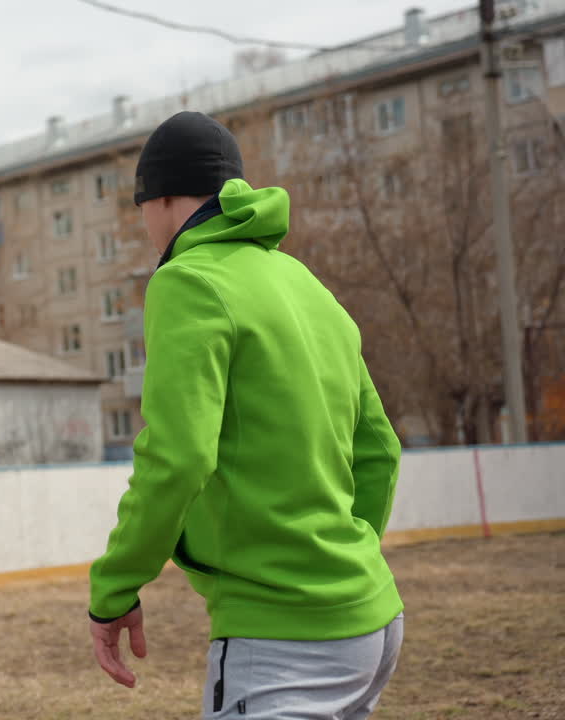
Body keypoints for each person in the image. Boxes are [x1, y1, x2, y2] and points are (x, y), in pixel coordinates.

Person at [87, 111, 405, 719]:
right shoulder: (303, 282)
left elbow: (178, 458)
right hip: (373, 620)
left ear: (162, 199)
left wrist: (114, 587)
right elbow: (379, 449)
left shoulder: (186, 281)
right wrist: (341, 566)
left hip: (283, 639)